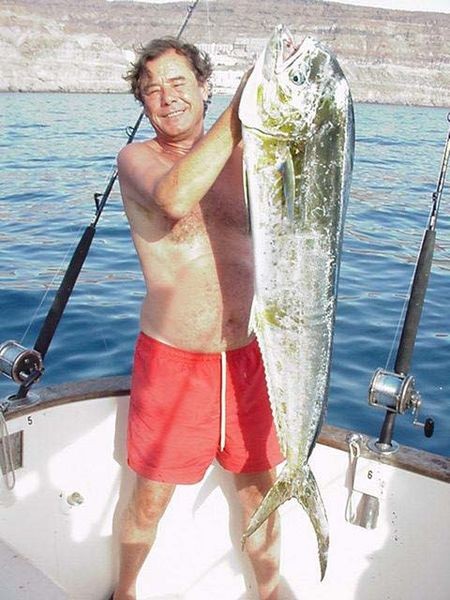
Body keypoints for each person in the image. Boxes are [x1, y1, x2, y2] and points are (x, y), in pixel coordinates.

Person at [114, 37, 284, 600]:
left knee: (260, 492)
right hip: (173, 361)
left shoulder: (250, 157)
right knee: (150, 497)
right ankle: (125, 591)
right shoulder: (138, 160)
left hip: (248, 357)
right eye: (152, 90)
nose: (166, 98)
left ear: (204, 87)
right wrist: (240, 110)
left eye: (178, 83)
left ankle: (269, 590)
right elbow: (174, 198)